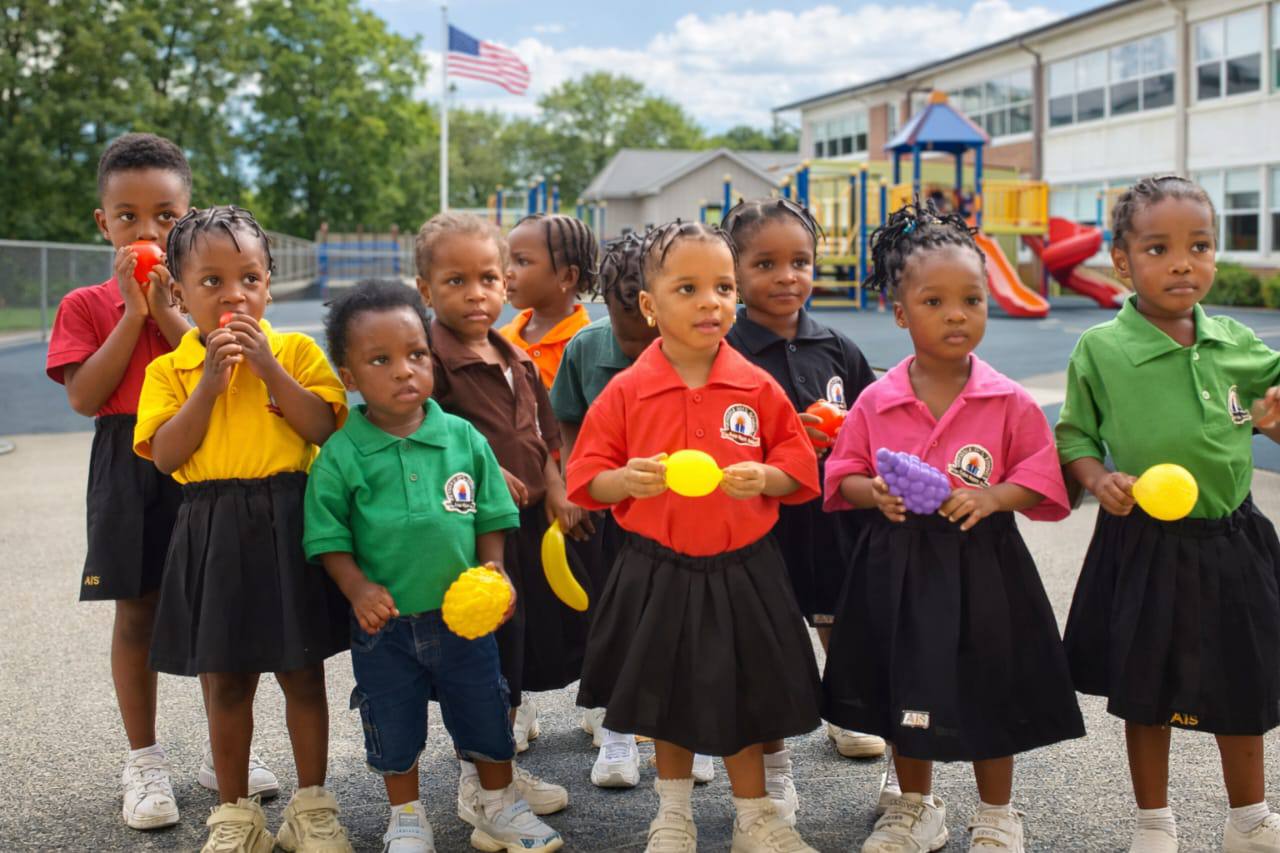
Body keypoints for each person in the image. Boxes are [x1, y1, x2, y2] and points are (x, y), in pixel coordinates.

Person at [823, 202, 1084, 853]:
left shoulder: (1009, 400)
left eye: (972, 298)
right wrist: (872, 491)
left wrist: (995, 494)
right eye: (935, 301)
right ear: (901, 312)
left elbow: (1044, 481)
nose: (957, 314)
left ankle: (997, 811)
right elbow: (842, 474)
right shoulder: (877, 399)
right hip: (901, 566)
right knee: (909, 690)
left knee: (991, 686)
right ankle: (914, 804)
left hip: (985, 569)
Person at [44, 132, 277, 831]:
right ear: (103, 222)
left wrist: (170, 305)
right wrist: (132, 313)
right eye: (128, 217)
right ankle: (144, 760)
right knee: (138, 611)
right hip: (127, 460)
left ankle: (223, 750)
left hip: (207, 460)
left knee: (218, 606)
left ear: (189, 213)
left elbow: (215, 359)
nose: (147, 231)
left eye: (166, 216)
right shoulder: (87, 304)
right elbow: (85, 397)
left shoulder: (212, 296)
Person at [567, 220, 824, 853]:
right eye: (688, 288)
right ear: (651, 307)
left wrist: (765, 474)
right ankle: (673, 815)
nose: (712, 302)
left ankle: (755, 816)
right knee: (664, 696)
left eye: (724, 287)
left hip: (744, 569)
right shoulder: (627, 390)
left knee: (747, 696)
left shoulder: (757, 386)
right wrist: (623, 479)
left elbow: (799, 468)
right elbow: (585, 479)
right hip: (657, 570)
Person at [1057, 175, 1280, 853]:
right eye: (1159, 248)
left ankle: (1249, 817)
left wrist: (1274, 422)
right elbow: (1073, 436)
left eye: (1201, 245)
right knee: (1145, 685)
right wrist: (1100, 478)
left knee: (1243, 683)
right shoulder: (1102, 349)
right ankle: (1154, 820)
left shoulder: (1240, 344)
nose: (1184, 262)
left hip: (1231, 537)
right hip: (1144, 543)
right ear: (1122, 261)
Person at [304, 280, 564, 853]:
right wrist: (357, 588)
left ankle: (498, 804)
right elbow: (327, 537)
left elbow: (492, 513)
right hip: (386, 626)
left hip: (465, 620)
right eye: (381, 360)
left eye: (416, 354)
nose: (404, 371)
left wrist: (493, 569)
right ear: (349, 378)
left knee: (486, 714)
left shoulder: (461, 436)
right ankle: (406, 817)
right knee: (393, 725)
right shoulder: (343, 453)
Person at [134, 205, 351, 853]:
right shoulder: (169, 370)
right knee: (226, 678)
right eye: (212, 282)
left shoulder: (295, 350)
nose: (235, 295)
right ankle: (235, 815)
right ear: (178, 291)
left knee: (303, 671)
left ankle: (311, 808)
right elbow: (167, 455)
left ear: (269, 282)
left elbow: (324, 427)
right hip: (211, 528)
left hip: (290, 517)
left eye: (250, 279)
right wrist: (210, 382)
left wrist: (268, 370)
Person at [722, 197, 884, 822]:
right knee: (769, 643)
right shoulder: (727, 350)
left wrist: (847, 441)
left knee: (841, 620)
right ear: (734, 270)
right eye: (766, 263)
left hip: (834, 516)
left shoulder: (837, 346)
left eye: (800, 261)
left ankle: (846, 715)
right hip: (764, 523)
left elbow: (872, 421)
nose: (787, 276)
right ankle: (774, 765)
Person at [414, 211, 572, 822]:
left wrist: (555, 486)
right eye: (455, 281)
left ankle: (497, 763)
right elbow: (417, 436)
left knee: (513, 650)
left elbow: (544, 434)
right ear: (426, 290)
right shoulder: (429, 359)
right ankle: (477, 782)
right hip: (470, 533)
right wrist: (478, 474)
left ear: (505, 284)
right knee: (478, 654)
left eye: (487, 278)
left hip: (524, 525)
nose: (475, 293)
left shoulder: (517, 355)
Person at [501, 213, 597, 390]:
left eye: (522, 261)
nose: (508, 272)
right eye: (507, 261)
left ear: (567, 277)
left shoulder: (586, 345)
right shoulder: (502, 339)